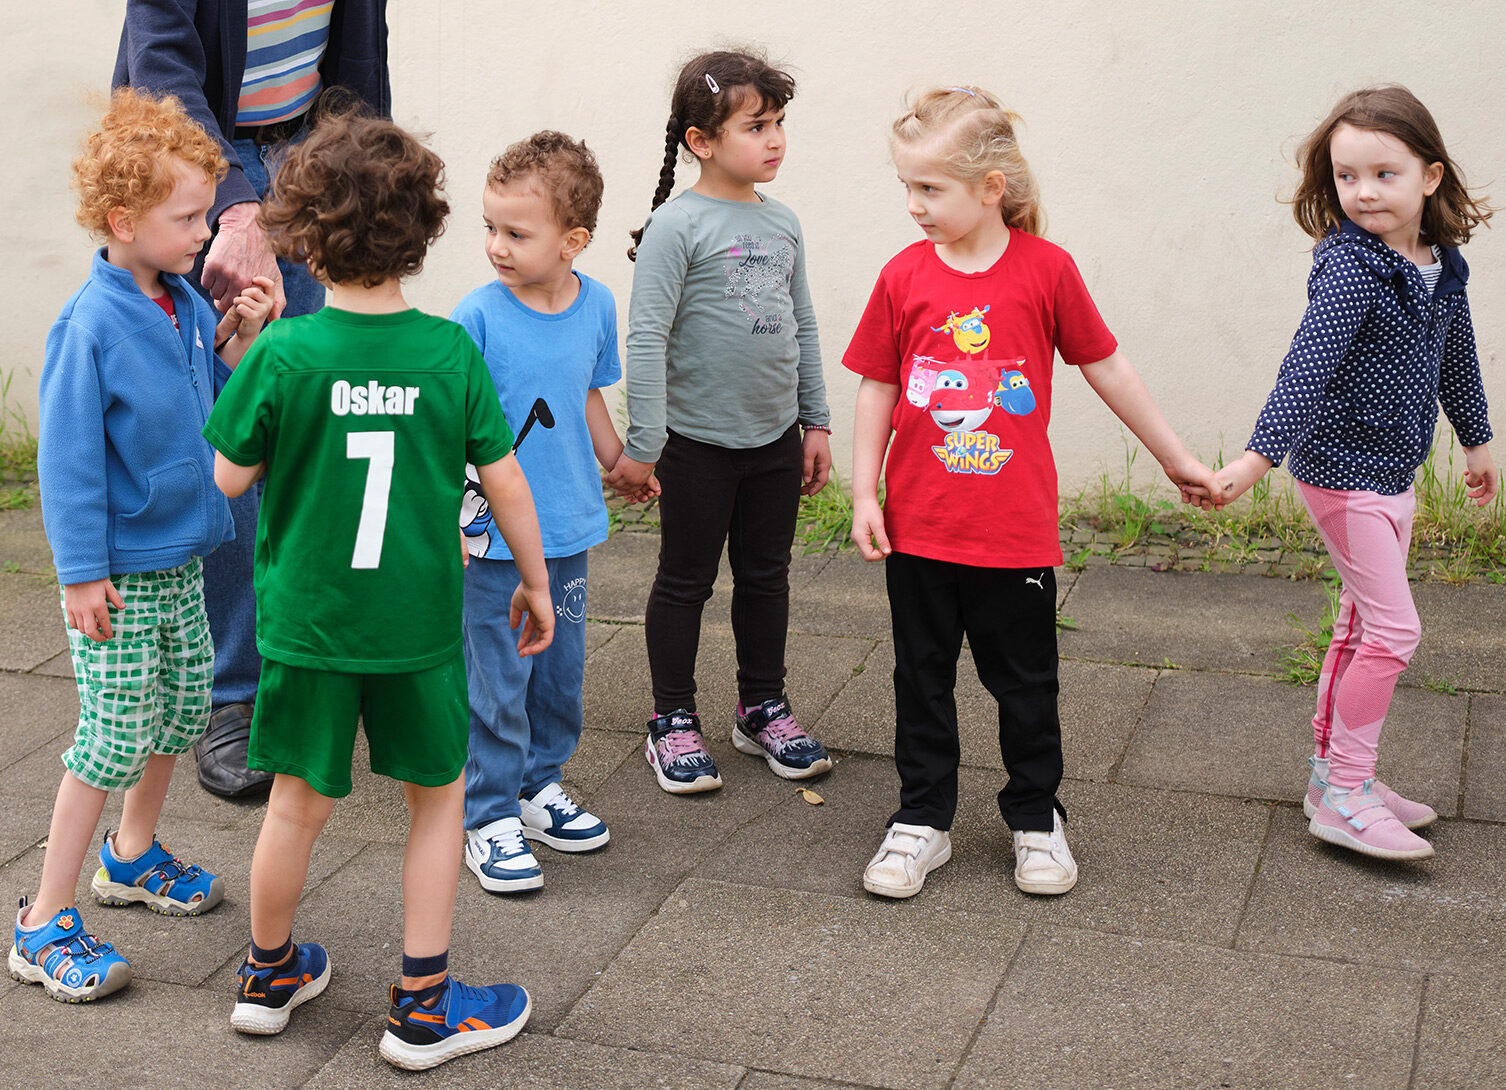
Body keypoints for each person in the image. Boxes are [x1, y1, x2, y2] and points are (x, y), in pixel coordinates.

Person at [203, 103, 552, 1070]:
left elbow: (228, 478)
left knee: (293, 805)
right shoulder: (447, 353)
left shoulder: (283, 353)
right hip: (418, 630)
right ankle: (426, 1007)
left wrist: (241, 358)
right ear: (425, 231)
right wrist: (534, 583)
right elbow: (506, 479)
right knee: (438, 802)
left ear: (304, 235)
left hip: (309, 627)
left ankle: (267, 975)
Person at [844, 85, 1220, 899]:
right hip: (919, 530)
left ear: (991, 189)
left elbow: (1107, 366)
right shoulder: (902, 277)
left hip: (1011, 533)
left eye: (929, 189)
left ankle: (1035, 817)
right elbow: (878, 383)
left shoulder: (1046, 271)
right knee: (921, 678)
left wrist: (1175, 458)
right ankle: (921, 820)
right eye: (906, 187)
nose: (913, 206)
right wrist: (864, 491)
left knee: (1025, 684)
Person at [16, 88, 275, 1002]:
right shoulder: (89, 325)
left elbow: (222, 395)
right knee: (110, 736)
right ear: (124, 221)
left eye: (206, 213)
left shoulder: (180, 304)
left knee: (176, 713)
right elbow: (71, 465)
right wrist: (80, 573)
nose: (205, 233)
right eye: (189, 217)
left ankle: (130, 856)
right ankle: (43, 920)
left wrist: (245, 334)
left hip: (181, 561)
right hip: (117, 579)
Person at [114, 0, 392, 799]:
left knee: (314, 414)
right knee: (238, 429)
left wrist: (360, 183)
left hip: (304, 143)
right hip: (193, 154)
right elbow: (162, 71)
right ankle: (232, 688)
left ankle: (314, 654)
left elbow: (359, 69)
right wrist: (234, 204)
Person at [1214, 85, 1497, 862]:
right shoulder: (1350, 269)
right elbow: (1306, 367)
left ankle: (1333, 780)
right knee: (1395, 631)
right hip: (1342, 474)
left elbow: (1457, 357)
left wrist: (1475, 439)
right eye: (1347, 177)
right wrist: (1257, 458)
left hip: (1392, 469)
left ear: (1430, 178)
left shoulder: (1439, 264)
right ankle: (1344, 792)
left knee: (1361, 627)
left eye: (1384, 174)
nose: (1364, 192)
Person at [606, 49, 836, 794]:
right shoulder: (677, 226)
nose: (774, 140)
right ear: (701, 141)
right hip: (696, 446)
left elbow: (800, 323)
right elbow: (646, 338)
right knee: (686, 581)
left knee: (767, 578)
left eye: (778, 124)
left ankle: (762, 705)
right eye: (755, 126)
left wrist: (817, 423)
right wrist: (644, 444)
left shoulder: (786, 222)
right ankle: (671, 719)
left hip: (773, 442)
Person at [453, 131, 652, 892]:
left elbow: (586, 395)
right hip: (488, 537)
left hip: (566, 526)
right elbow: (448, 433)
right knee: (496, 680)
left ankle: (539, 786)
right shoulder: (476, 317)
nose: (496, 247)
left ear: (573, 241)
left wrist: (619, 461)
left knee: (559, 673)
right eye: (490, 229)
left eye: (516, 233)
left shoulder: (596, 303)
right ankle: (489, 814)